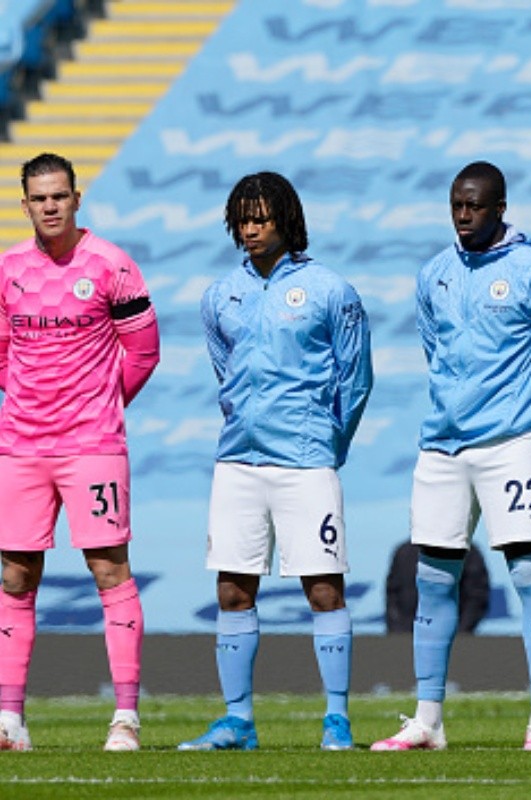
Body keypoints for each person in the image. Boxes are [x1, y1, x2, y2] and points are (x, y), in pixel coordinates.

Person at [371, 161, 531, 752]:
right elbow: (434, 352)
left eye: (474, 207)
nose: (463, 217)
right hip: (443, 445)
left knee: (530, 575)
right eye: (455, 206)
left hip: (513, 442)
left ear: (500, 207)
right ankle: (428, 719)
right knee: (433, 578)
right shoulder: (434, 274)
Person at [178, 171, 373, 752]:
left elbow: (355, 378)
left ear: (287, 220)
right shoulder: (220, 296)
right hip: (238, 460)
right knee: (234, 591)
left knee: (323, 590)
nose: (251, 228)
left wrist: (327, 445)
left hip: (306, 462)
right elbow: (225, 373)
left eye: (262, 217)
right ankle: (237, 721)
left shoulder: (329, 290)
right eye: (243, 218)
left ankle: (336, 720)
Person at [0, 152, 160, 752]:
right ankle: (9, 720)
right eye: (38, 198)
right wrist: (28, 403)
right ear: (25, 205)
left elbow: (142, 353)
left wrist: (98, 404)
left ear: (75, 199)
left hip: (91, 445)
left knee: (108, 568)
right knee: (15, 575)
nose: (49, 206)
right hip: (20, 446)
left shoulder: (112, 266)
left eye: (59, 196)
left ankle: (125, 718)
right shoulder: (7, 269)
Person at [385, 541, 490, 634]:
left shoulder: (468, 553)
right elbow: (393, 596)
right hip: (406, 637)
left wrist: (461, 633)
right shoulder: (404, 552)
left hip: (454, 638)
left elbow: (476, 598)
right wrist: (399, 633)